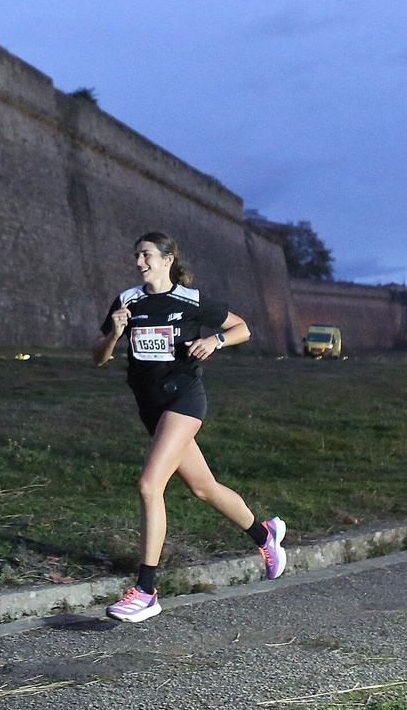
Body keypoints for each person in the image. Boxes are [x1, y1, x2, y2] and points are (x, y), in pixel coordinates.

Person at [92, 232, 288, 622]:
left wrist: (215, 341)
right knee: (203, 487)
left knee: (149, 485)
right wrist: (114, 333)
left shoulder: (191, 300)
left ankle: (146, 591)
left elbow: (242, 328)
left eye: (146, 255)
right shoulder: (127, 301)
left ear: (167, 259)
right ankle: (264, 535)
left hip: (184, 400)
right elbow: (98, 358)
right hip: (151, 409)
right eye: (136, 255)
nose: (139, 262)